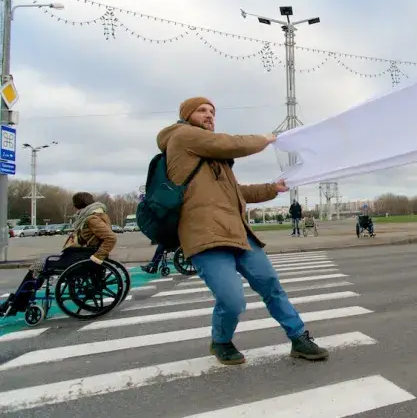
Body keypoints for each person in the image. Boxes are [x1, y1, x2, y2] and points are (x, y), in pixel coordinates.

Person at [155, 96, 329, 365]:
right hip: (206, 237)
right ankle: (221, 341)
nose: (209, 115)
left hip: (238, 233)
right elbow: (232, 144)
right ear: (186, 115)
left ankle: (299, 339)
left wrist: (273, 188)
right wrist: (266, 139)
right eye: (202, 111)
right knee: (232, 300)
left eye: (212, 111)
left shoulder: (213, 159)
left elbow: (238, 193)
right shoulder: (182, 138)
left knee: (271, 286)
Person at [63, 191, 118, 263]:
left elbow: (111, 238)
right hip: (87, 251)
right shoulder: (96, 215)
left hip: (87, 254)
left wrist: (97, 257)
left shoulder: (92, 219)